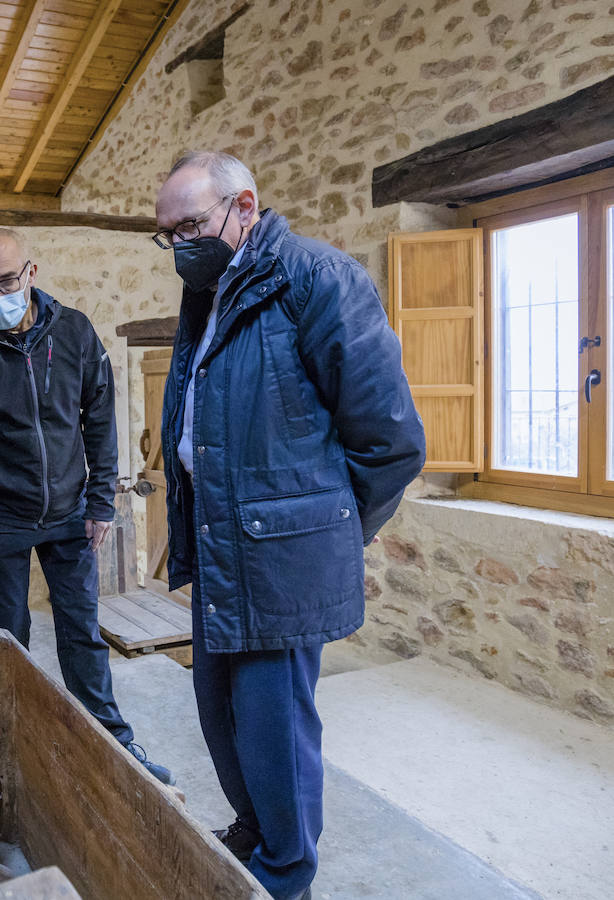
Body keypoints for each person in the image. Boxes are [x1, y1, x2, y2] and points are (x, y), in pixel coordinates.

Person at [153, 151, 425, 900]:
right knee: (221, 713)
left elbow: (392, 443)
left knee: (276, 730)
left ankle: (286, 874)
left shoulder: (318, 279)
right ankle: (256, 830)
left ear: (245, 205)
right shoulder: (208, 292)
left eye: (191, 226)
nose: (179, 246)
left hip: (280, 556)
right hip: (220, 546)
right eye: (166, 234)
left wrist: (327, 531)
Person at [0, 227, 174, 786]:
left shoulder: (74, 332)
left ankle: (113, 744)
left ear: (31, 273)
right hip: (3, 517)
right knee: (7, 636)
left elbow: (99, 420)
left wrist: (100, 501)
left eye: (5, 280)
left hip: (72, 514)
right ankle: (7, 751)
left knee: (82, 634)